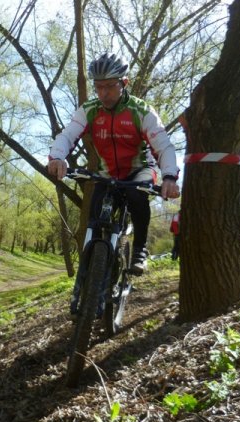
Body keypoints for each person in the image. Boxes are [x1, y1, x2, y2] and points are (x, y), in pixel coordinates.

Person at [48, 52, 180, 274]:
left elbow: (163, 146)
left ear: (124, 83)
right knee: (95, 215)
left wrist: (169, 177)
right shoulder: (89, 110)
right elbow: (67, 135)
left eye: (110, 86)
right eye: (98, 87)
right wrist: (57, 157)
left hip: (139, 169)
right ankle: (92, 271)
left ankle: (139, 249)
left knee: (138, 196)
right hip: (107, 173)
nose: (104, 93)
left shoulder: (141, 111)